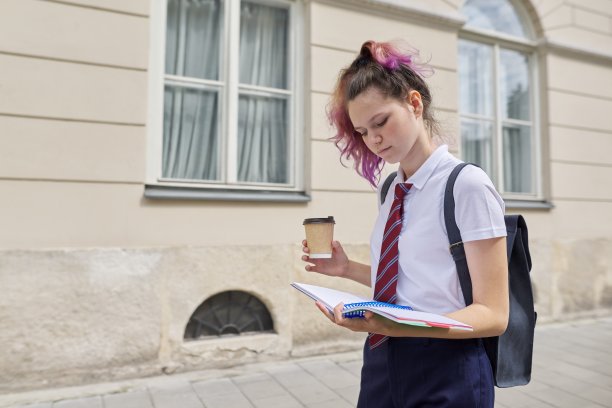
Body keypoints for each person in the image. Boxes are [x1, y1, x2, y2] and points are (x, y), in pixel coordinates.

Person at [301, 40, 509, 407]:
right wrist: (346, 269)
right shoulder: (390, 189)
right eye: (363, 132)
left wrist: (401, 326)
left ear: (415, 104)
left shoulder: (467, 185)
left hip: (449, 364)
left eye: (380, 122)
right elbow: (415, 278)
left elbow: (493, 315)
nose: (374, 140)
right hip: (382, 359)